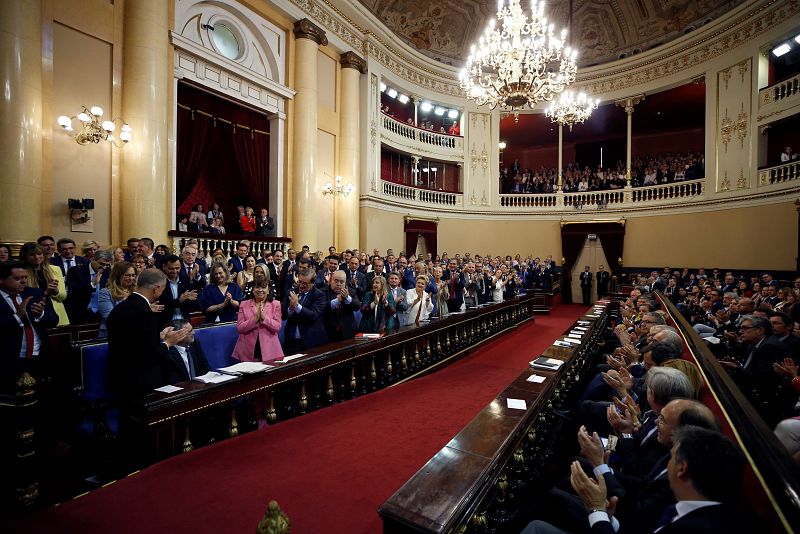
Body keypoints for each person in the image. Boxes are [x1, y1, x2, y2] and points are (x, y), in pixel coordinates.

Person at [568, 426, 750, 534]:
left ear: (681, 468)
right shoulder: (684, 506)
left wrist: (597, 509)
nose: (667, 463)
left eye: (671, 457)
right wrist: (609, 518)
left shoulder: (694, 528)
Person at [107, 268, 191, 401]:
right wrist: (168, 342)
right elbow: (149, 355)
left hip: (119, 377)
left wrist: (158, 336)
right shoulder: (146, 314)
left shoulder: (119, 308)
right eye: (162, 290)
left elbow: (132, 340)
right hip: (140, 382)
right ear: (156, 289)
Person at [0, 261, 58, 391]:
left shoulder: (35, 293)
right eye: (18, 278)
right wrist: (17, 317)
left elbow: (54, 319)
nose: (23, 281)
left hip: (39, 356)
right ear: (2, 280)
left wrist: (40, 314)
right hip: (9, 360)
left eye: (25, 277)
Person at [19, 242, 69, 326]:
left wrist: (56, 292)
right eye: (32, 255)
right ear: (25, 257)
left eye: (39, 254)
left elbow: (63, 296)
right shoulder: (21, 273)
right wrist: (45, 293)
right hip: (34, 316)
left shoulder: (55, 269)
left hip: (58, 316)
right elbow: (24, 297)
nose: (36, 257)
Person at [282, 268, 328, 355]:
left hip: (310, 341)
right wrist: (290, 309)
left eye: (305, 283)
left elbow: (313, 315)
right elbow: (283, 315)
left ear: (313, 283)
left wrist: (296, 306)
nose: (301, 285)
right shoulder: (290, 293)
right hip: (291, 339)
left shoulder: (319, 295)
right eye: (299, 281)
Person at [65, 249, 112, 325]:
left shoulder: (108, 272)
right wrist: (92, 284)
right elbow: (74, 293)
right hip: (80, 313)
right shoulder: (75, 271)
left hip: (100, 314)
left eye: (107, 265)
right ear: (93, 259)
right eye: (102, 264)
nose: (104, 267)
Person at [154, 254, 197, 327]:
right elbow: (162, 305)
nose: (175, 271)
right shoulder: (158, 282)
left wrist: (191, 299)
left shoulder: (185, 280)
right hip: (166, 323)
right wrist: (179, 300)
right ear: (164, 267)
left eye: (177, 268)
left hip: (184, 320)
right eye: (171, 268)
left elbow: (191, 304)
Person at [163, 319, 211, 384]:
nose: (194, 333)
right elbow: (174, 381)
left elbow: (205, 368)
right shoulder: (167, 352)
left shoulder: (194, 343)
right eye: (190, 331)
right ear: (178, 335)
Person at [97, 261, 136, 338]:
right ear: (118, 275)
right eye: (127, 275)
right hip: (111, 335)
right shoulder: (105, 292)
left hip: (133, 333)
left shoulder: (136, 292)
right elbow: (110, 317)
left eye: (133, 275)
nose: (131, 278)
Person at [322, 270, 361, 341]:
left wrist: (347, 298)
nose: (338, 284)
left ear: (345, 283)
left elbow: (357, 306)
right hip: (328, 333)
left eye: (341, 282)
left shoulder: (351, 292)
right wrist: (337, 301)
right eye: (336, 281)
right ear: (331, 280)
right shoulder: (323, 292)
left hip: (348, 332)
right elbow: (322, 307)